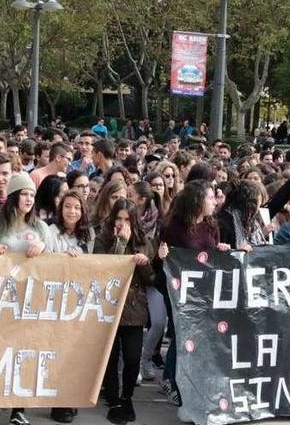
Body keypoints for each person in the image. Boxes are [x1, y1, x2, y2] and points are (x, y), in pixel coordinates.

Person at [0, 173, 50, 425]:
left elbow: (57, 263)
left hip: (29, 301)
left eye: (32, 194)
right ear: (14, 197)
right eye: (24, 194)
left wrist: (44, 249)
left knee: (24, 352)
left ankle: (19, 409)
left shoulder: (40, 228)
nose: (28, 199)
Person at [158, 180, 229, 419]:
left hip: (204, 292)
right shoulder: (174, 227)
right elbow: (166, 260)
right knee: (180, 334)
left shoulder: (211, 226)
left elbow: (212, 254)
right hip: (179, 291)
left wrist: (221, 250)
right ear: (197, 200)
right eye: (210, 198)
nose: (214, 202)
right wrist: (163, 255)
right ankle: (171, 380)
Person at [94, 199, 155, 425]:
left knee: (132, 357)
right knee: (110, 357)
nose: (122, 223)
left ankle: (126, 395)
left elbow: (150, 279)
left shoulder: (143, 241)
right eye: (118, 218)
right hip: (109, 305)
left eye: (127, 219)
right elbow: (104, 270)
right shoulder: (103, 239)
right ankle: (113, 397)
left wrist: (145, 263)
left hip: (133, 308)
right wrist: (119, 242)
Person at [217, 180, 271, 250]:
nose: (258, 208)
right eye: (258, 203)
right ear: (249, 204)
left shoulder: (252, 220)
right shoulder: (225, 222)